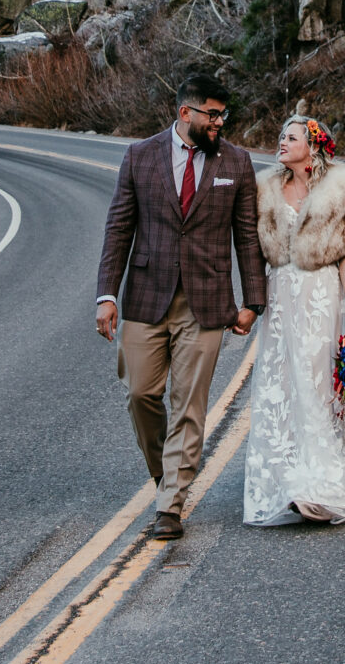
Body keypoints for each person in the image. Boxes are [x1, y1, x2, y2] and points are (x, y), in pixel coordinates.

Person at [95, 73, 265, 541]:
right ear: (184, 112)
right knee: (140, 393)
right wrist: (106, 294)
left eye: (223, 115)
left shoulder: (237, 161)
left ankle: (171, 502)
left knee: (188, 403)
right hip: (146, 296)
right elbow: (118, 230)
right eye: (212, 114)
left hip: (206, 301)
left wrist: (254, 300)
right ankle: (164, 473)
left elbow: (246, 235)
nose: (220, 122)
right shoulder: (140, 156)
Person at [242, 114, 345, 527]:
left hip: (321, 295)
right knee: (280, 380)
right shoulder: (265, 189)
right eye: (281, 135)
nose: (282, 142)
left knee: (318, 384)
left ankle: (323, 484)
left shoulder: (338, 188)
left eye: (292, 137)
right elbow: (250, 248)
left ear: (313, 145)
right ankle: (284, 480)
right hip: (280, 296)